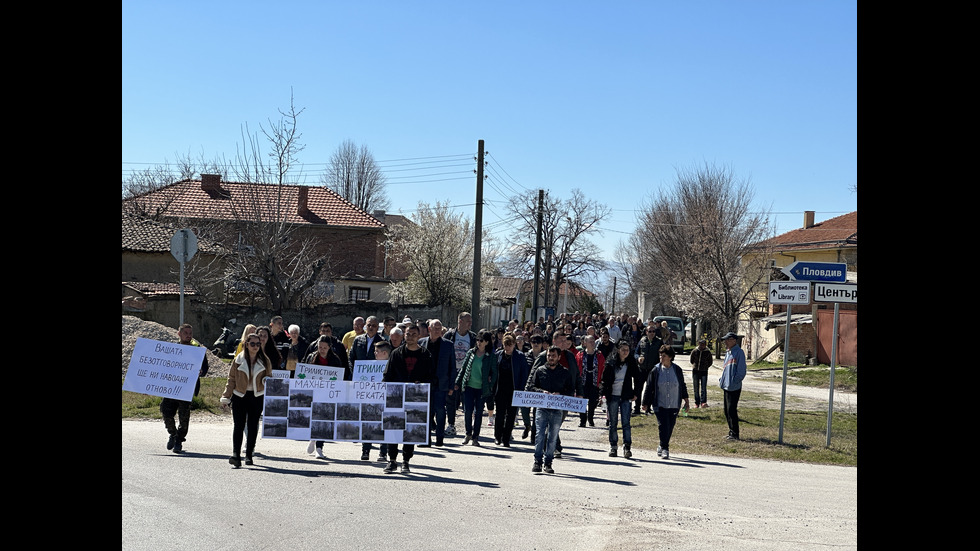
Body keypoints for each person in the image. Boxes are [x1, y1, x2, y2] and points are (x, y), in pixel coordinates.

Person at [382, 323, 434, 474]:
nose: (410, 337)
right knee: (393, 427)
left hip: (415, 399)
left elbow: (431, 377)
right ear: (404, 336)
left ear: (419, 336)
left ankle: (406, 461)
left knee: (409, 429)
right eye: (407, 334)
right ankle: (392, 461)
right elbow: (387, 375)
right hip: (396, 397)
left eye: (413, 334)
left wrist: (421, 384)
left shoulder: (425, 355)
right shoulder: (396, 353)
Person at [220, 332, 272, 468]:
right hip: (239, 396)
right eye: (252, 344)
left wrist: (266, 380)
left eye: (258, 344)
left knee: (253, 425)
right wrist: (226, 396)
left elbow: (270, 377)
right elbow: (231, 379)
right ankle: (236, 455)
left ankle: (249, 455)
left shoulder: (265, 360)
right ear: (246, 345)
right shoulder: (238, 359)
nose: (255, 346)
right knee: (238, 426)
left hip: (257, 396)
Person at [160, 323, 210, 454]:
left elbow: (205, 367)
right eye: (185, 333)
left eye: (190, 333)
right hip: (171, 387)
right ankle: (173, 433)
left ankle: (179, 440)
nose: (188, 336)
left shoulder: (197, 349)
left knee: (184, 417)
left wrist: (201, 371)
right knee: (166, 411)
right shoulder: (172, 349)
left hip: (187, 388)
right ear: (179, 334)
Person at [527, 346, 573, 474]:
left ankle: (548, 462)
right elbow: (532, 387)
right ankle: (537, 461)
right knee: (539, 435)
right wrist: (542, 392)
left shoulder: (565, 372)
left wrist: (560, 393)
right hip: (542, 408)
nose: (550, 358)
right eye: (548, 355)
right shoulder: (540, 370)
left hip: (557, 409)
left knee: (552, 437)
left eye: (553, 356)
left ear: (559, 357)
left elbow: (570, 390)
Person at [303, 336, 351, 459]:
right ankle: (312, 438)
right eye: (320, 347)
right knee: (313, 417)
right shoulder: (311, 357)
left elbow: (339, 375)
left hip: (327, 394)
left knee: (324, 419)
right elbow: (304, 370)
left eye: (325, 347)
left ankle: (319, 447)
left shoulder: (335, 359)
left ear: (329, 347)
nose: (322, 350)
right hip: (313, 392)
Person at [641, 346, 690, 460]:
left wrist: (686, 400)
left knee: (670, 426)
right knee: (663, 425)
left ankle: (661, 444)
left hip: (674, 403)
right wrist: (645, 403)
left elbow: (682, 385)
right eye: (660, 355)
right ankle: (665, 448)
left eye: (664, 356)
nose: (661, 358)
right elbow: (649, 387)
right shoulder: (656, 370)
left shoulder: (677, 370)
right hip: (660, 403)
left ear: (670, 357)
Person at [349, 316, 386, 460]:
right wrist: (355, 375)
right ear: (365, 326)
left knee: (381, 418)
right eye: (369, 325)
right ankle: (366, 450)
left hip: (377, 385)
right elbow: (351, 359)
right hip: (361, 384)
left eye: (374, 326)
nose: (371, 327)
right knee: (366, 417)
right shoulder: (358, 340)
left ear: (378, 328)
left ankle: (383, 451)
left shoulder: (383, 342)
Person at [454, 330, 498, 446]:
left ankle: (475, 437)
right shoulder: (471, 353)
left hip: (482, 388)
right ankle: (468, 433)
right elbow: (463, 369)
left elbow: (494, 373)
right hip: (469, 386)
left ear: (487, 342)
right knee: (467, 411)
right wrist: (457, 382)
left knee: (478, 413)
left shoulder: (491, 356)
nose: (478, 342)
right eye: (477, 340)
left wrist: (490, 385)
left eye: (481, 340)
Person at [601, 339, 642, 458]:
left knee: (626, 423)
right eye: (623, 350)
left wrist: (636, 393)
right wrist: (603, 394)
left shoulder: (631, 363)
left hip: (625, 396)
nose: (625, 352)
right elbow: (604, 379)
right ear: (618, 350)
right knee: (613, 422)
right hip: (612, 396)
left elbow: (638, 378)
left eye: (627, 350)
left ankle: (627, 446)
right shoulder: (611, 363)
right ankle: (613, 446)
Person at [419, 319, 454, 447]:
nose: (438, 330)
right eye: (435, 328)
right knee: (426, 412)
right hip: (425, 383)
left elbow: (452, 366)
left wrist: (451, 385)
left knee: (440, 411)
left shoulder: (448, 345)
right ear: (429, 329)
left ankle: (440, 438)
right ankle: (426, 439)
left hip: (441, 384)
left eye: (440, 328)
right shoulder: (421, 343)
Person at [492, 333, 530, 447]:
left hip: (514, 390)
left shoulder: (520, 356)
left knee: (511, 415)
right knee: (500, 414)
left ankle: (506, 437)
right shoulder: (498, 354)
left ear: (514, 344)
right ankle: (497, 436)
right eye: (505, 344)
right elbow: (493, 371)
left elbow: (524, 374)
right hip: (500, 389)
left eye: (509, 344)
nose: (507, 347)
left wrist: (521, 389)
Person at [444, 312, 477, 437]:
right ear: (460, 322)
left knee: (468, 401)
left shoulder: (472, 337)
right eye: (468, 321)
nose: (470, 323)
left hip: (467, 375)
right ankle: (451, 425)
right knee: (451, 401)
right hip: (452, 373)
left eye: (471, 321)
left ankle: (469, 427)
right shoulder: (450, 335)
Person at [719, 331, 747, 440]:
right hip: (726, 386)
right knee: (726, 410)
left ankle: (735, 434)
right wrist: (722, 380)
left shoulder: (739, 352)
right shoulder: (728, 352)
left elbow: (741, 371)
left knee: (732, 410)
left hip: (734, 387)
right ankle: (731, 432)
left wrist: (734, 381)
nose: (725, 342)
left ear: (734, 341)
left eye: (727, 340)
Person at [633, 325, 663, 415]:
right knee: (638, 389)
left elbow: (662, 354)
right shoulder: (642, 341)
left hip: (652, 370)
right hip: (641, 369)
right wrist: (638, 358)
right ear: (646, 332)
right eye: (650, 331)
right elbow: (636, 353)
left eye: (653, 331)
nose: (652, 333)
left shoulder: (659, 342)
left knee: (650, 389)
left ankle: (648, 408)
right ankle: (637, 408)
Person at [575, 335, 604, 427]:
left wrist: (601, 381)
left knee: (593, 402)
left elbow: (603, 368)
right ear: (585, 343)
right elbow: (576, 368)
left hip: (594, 381)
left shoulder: (599, 354)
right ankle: (582, 420)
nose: (592, 343)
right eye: (590, 341)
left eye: (593, 341)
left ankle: (590, 418)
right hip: (583, 381)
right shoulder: (580, 354)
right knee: (582, 401)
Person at [690, 338, 713, 408]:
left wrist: (705, 366)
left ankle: (703, 402)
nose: (701, 346)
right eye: (700, 344)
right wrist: (695, 365)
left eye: (703, 345)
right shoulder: (695, 351)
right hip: (696, 371)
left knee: (703, 387)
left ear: (705, 345)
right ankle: (697, 402)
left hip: (704, 371)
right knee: (696, 387)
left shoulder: (708, 352)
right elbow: (691, 360)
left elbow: (710, 362)